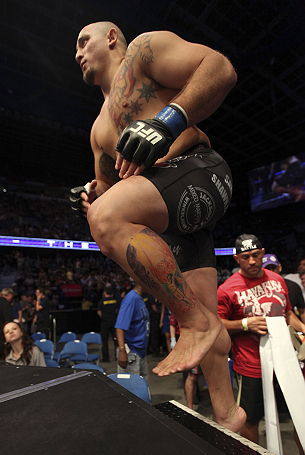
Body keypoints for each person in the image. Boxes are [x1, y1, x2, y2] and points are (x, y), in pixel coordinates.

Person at [70, 21, 245, 432]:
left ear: (111, 37)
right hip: (170, 213)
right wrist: (89, 197)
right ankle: (229, 415)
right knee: (207, 326)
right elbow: (114, 190)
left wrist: (169, 120)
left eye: (83, 42)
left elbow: (219, 68)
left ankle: (194, 322)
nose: (76, 54)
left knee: (108, 219)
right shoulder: (99, 129)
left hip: (201, 173)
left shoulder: (144, 52)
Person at [217, 234, 305, 455]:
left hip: (285, 360)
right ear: (237, 259)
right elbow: (217, 325)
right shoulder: (226, 289)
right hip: (251, 366)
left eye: (256, 255)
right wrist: (244, 324)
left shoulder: (278, 281)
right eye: (246, 257)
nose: (252, 261)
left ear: (263, 252)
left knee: (299, 414)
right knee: (250, 420)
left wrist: (303, 328)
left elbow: (286, 314)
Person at [115, 284, 150, 383]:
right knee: (131, 390)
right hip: (131, 351)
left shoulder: (139, 299)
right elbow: (119, 327)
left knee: (143, 387)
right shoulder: (131, 299)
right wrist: (122, 351)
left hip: (140, 351)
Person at [262, 254, 305, 323]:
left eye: (273, 268)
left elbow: (302, 312)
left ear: (280, 267)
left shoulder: (293, 286)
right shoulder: (258, 289)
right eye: (268, 269)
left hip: (291, 326)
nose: (271, 271)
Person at [97, 283, 119, 362]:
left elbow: (99, 312)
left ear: (105, 293)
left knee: (105, 341)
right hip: (114, 321)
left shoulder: (101, 301)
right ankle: (117, 356)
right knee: (116, 340)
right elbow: (116, 310)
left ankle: (106, 358)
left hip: (105, 322)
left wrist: (104, 317)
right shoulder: (115, 301)